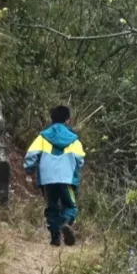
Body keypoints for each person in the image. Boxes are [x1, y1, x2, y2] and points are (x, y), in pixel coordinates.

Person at [24, 105, 85, 246]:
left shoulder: (43, 136)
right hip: (67, 178)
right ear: (68, 120)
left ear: (51, 119)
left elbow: (32, 155)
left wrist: (29, 170)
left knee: (51, 206)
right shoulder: (73, 139)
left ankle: (55, 238)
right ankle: (65, 223)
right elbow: (80, 159)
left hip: (47, 178)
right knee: (70, 206)